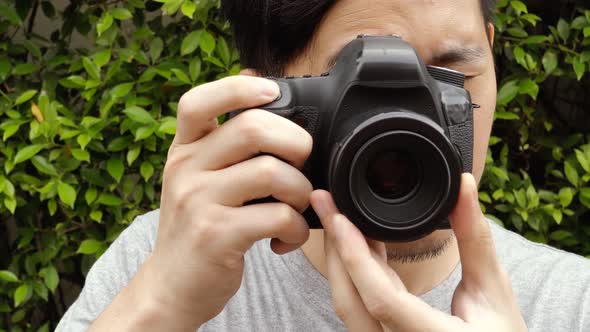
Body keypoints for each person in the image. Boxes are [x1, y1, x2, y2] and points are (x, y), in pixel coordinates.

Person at [56, 0, 590, 331]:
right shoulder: (163, 263)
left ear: (491, 59)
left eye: (450, 79)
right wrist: (159, 306)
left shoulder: (573, 304)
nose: (411, 127)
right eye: (370, 92)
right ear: (264, 103)